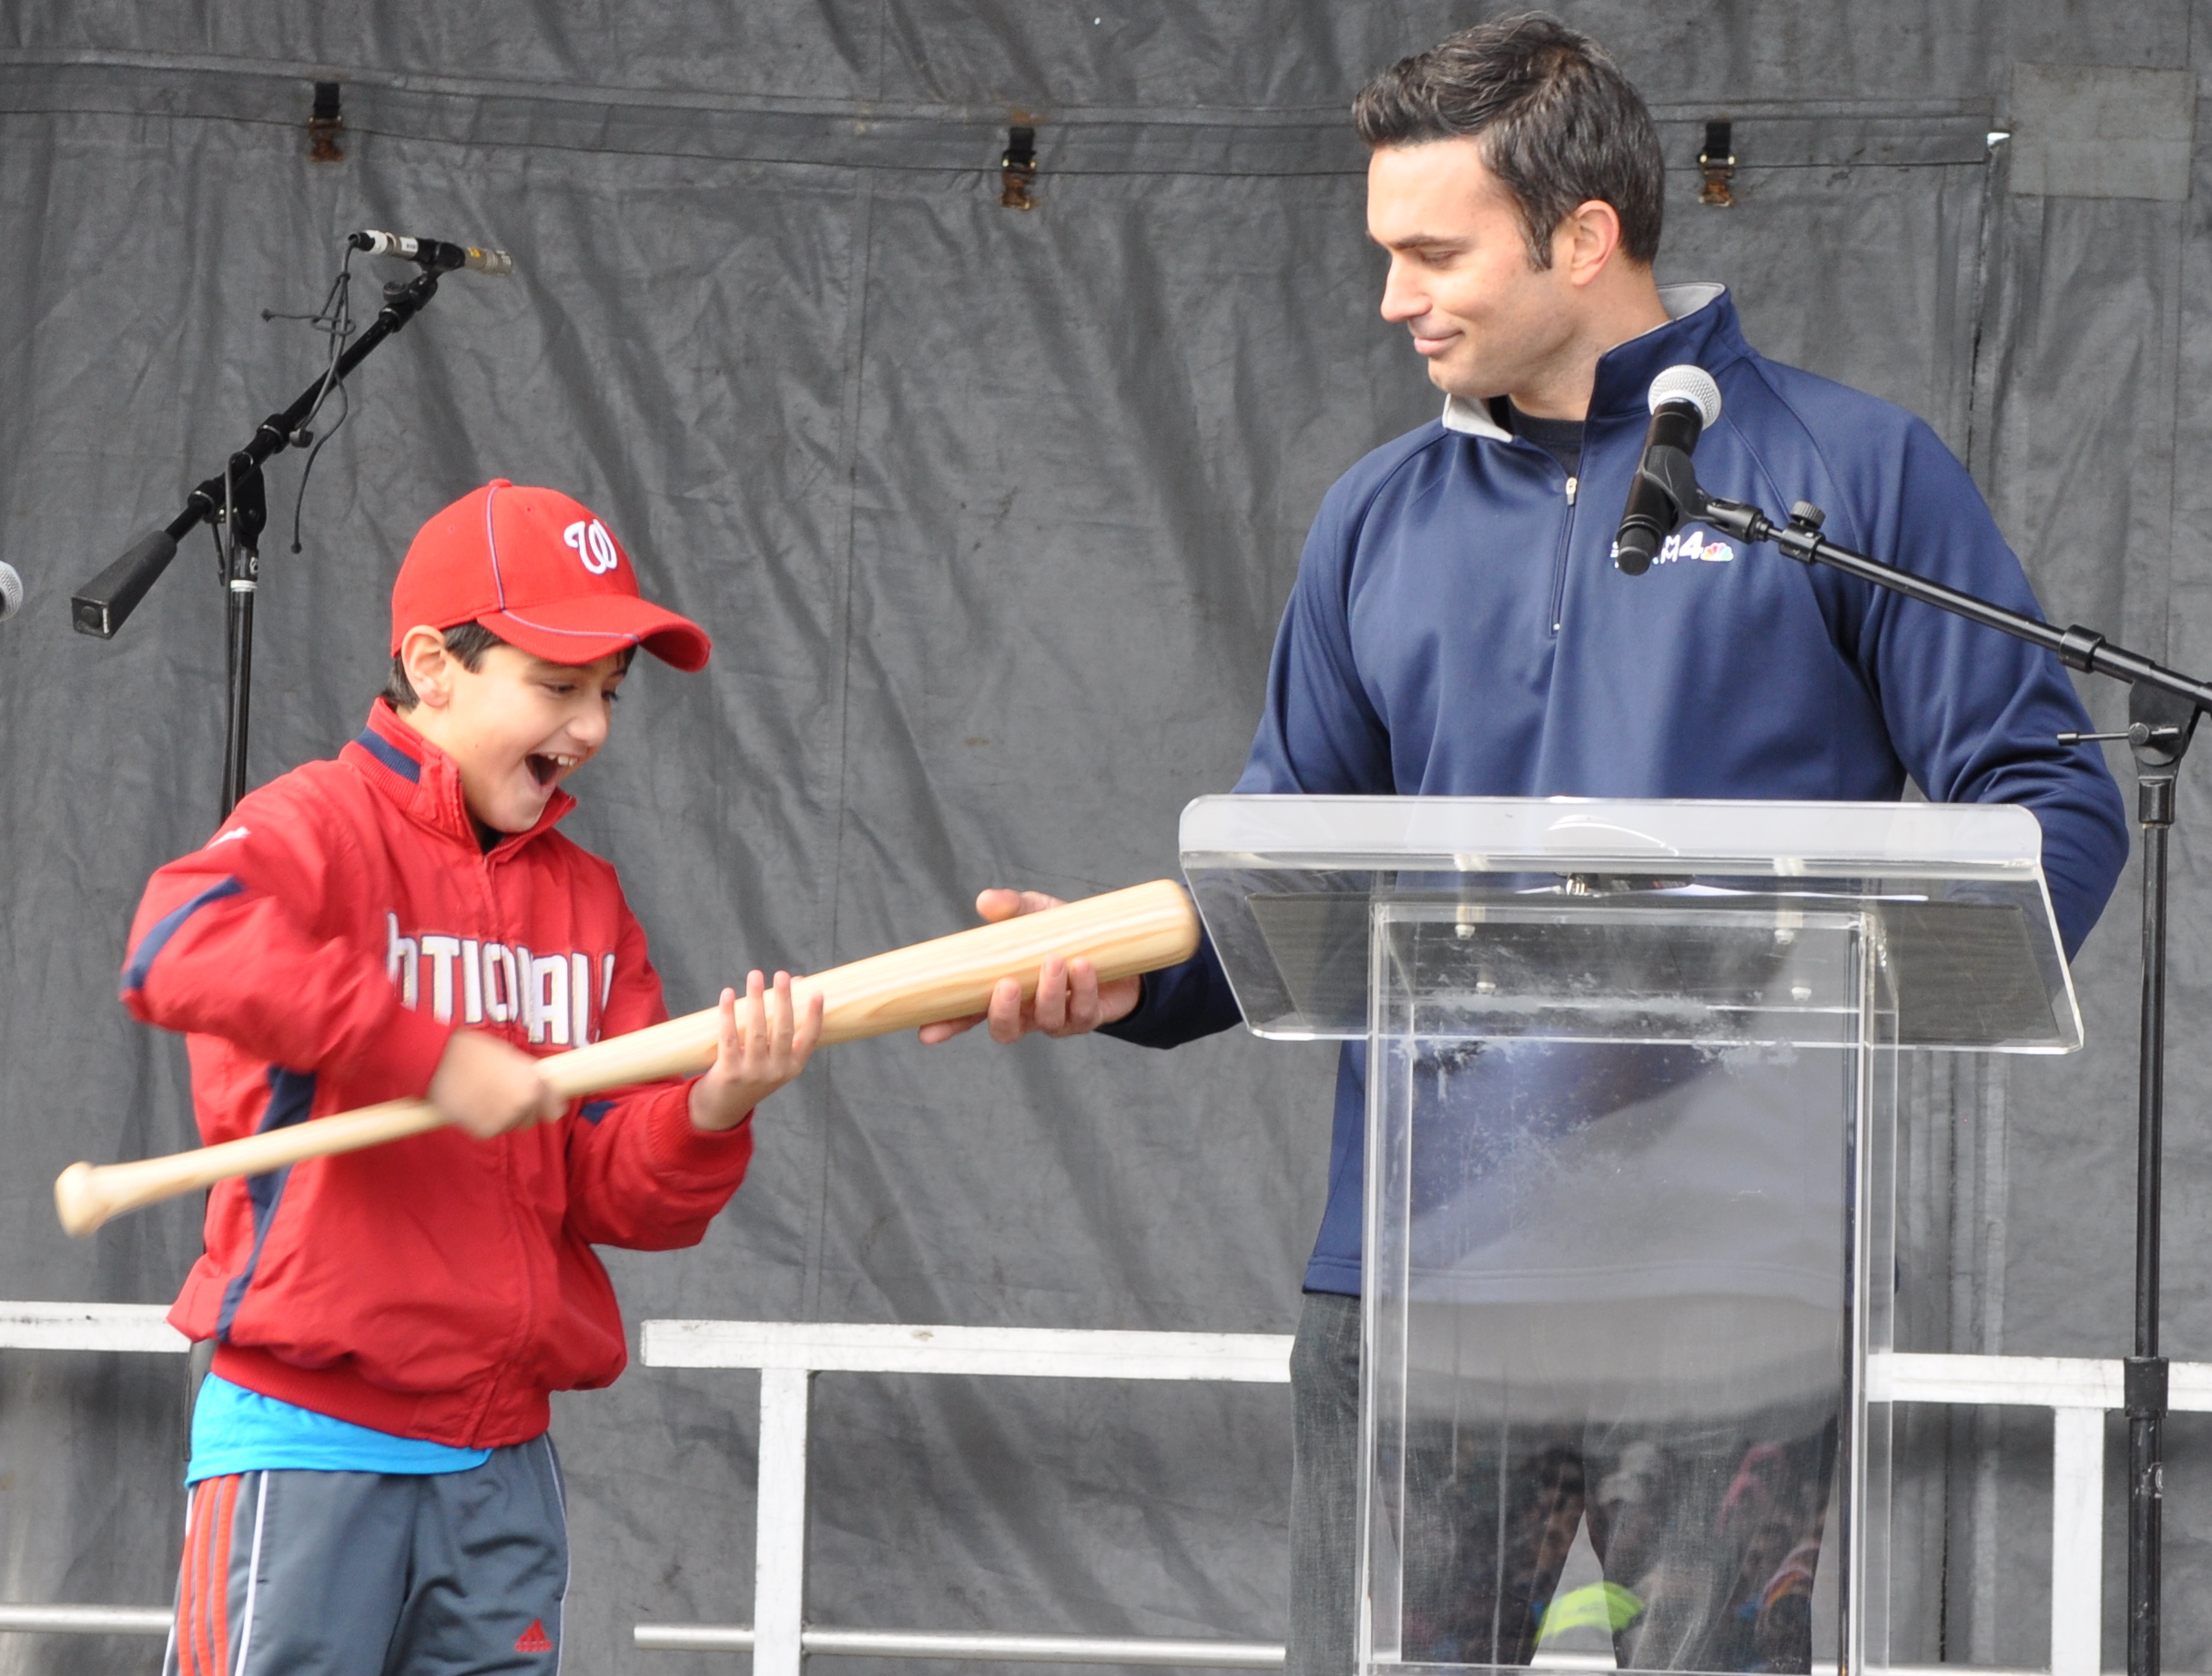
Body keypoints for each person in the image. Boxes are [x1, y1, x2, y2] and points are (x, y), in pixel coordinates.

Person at [919, 15, 2129, 1674]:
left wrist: (1798, 999)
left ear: (1584, 236)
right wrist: (1127, 973)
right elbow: (1285, 865)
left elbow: (2054, 798)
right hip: (1418, 1273)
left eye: (1433, 254)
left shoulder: (1845, 473)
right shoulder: (1375, 518)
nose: (1392, 299)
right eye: (1386, 254)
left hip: (1733, 1290)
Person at [121, 479, 822, 1674]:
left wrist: (712, 1109)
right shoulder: (317, 821)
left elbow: (613, 1191)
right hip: (308, 1439)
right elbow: (175, 942)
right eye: (558, 685)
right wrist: (430, 1053)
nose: (591, 727)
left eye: (609, 692)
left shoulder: (589, 900)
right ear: (432, 665)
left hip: (503, 1458)